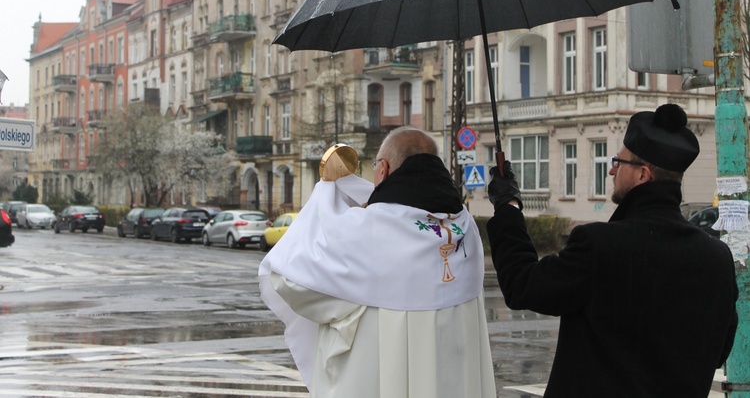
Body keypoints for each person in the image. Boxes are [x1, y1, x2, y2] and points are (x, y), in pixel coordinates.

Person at [487, 103, 738, 397]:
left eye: (619, 162)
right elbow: (719, 350)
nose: (611, 170)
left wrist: (508, 207)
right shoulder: (718, 258)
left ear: (643, 175)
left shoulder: (600, 246)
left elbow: (522, 284)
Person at [259, 126, 496, 398]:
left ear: (383, 168)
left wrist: (323, 197)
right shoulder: (465, 226)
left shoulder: (365, 230)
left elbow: (288, 278)